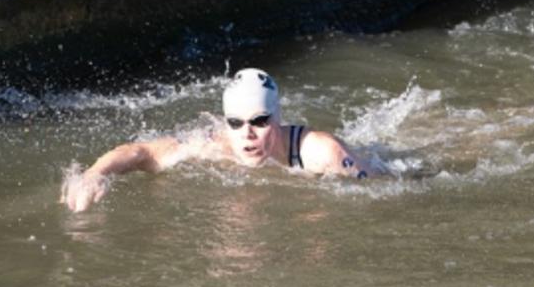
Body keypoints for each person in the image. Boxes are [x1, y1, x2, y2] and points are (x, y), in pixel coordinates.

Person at [61, 68, 375, 212]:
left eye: (260, 121)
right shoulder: (216, 145)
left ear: (278, 116)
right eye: (236, 123)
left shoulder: (322, 153)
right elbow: (142, 152)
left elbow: (382, 184)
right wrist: (93, 174)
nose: (247, 134)